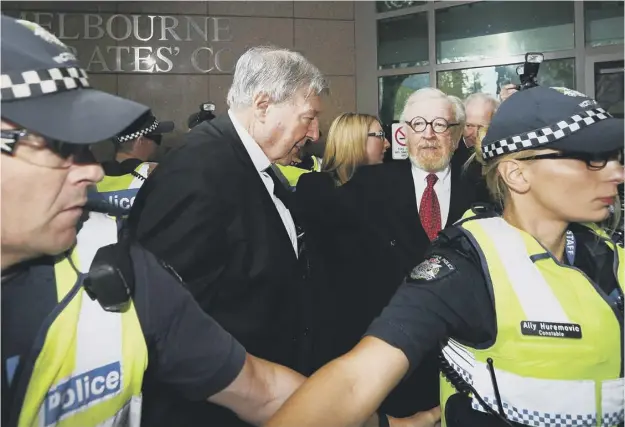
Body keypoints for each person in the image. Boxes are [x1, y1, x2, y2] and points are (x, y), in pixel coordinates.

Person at [1, 15, 326, 427]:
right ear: (263, 105)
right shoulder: (199, 173)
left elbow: (251, 382)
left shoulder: (120, 264)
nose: (93, 171)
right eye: (56, 145)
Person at [266, 86, 625, 427]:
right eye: (589, 158)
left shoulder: (610, 258)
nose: (617, 173)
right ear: (515, 172)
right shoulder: (466, 264)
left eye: (614, 156)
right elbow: (355, 380)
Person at [126, 46, 326, 427]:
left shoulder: (250, 164)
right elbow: (166, 322)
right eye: (309, 117)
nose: (314, 133)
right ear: (264, 105)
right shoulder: (197, 174)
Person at [293, 88, 477, 418]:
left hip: (467, 364)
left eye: (440, 124)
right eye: (418, 124)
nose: (429, 135)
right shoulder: (367, 185)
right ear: (403, 133)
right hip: (394, 367)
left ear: (458, 132)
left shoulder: (481, 187)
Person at [90, 113, 174, 214]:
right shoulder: (156, 173)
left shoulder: (89, 176)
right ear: (141, 141)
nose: (157, 145)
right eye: (157, 138)